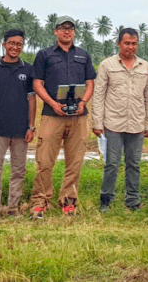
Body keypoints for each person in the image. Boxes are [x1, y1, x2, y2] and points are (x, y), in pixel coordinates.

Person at [30, 16, 96, 218]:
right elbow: (37, 84)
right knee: (45, 160)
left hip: (78, 116)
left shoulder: (83, 55)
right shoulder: (44, 55)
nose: (66, 31)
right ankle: (40, 202)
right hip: (52, 114)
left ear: (75, 32)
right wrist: (52, 103)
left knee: (75, 162)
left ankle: (68, 202)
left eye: (70, 28)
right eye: (62, 28)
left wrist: (83, 102)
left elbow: (90, 82)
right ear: (55, 31)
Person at [93, 28, 148, 212]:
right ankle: (106, 199)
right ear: (119, 43)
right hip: (113, 123)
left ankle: (133, 200)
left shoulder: (145, 67)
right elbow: (99, 95)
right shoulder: (107, 65)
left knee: (134, 164)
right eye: (127, 43)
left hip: (136, 124)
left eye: (134, 43)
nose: (130, 47)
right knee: (112, 163)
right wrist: (97, 122)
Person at [0, 29, 36, 219]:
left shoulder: (28, 69)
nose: (15, 47)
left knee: (19, 170)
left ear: (23, 47)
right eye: (12, 43)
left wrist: (31, 127)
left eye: (19, 44)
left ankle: (14, 207)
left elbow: (32, 100)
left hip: (22, 131)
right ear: (4, 45)